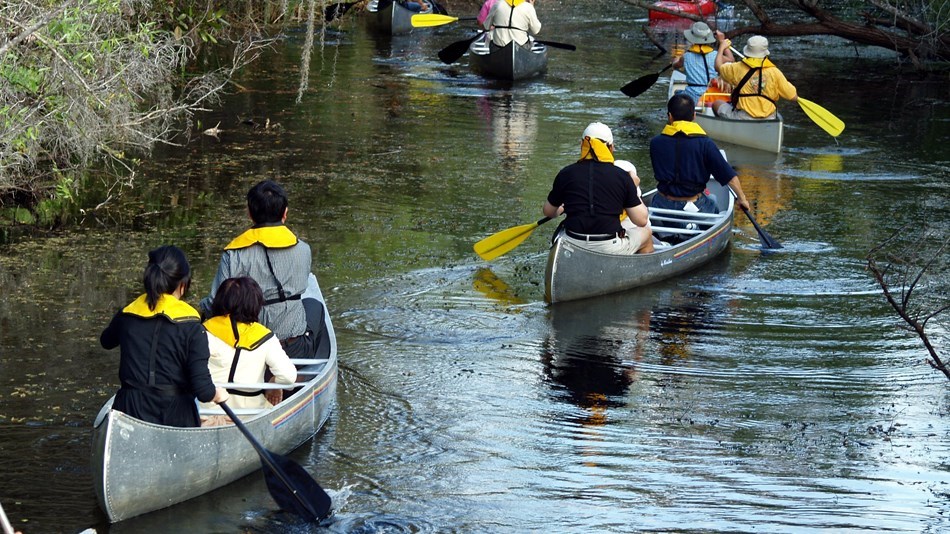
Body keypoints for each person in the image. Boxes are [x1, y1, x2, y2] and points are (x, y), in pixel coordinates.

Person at [200, 180, 330, 360]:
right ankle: (304, 368)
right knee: (314, 306)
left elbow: (215, 304)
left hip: (246, 348)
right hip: (292, 347)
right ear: (285, 213)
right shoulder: (303, 249)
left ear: (250, 213)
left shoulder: (233, 254)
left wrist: (197, 312)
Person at [101, 245, 228, 427]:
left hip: (129, 409)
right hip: (174, 414)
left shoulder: (127, 315)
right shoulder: (192, 326)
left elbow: (106, 341)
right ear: (183, 285)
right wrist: (217, 394)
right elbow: (203, 391)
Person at [649, 94, 751, 240]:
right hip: (693, 202)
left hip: (662, 203)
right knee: (714, 202)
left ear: (670, 116)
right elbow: (730, 177)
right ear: (694, 116)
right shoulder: (705, 144)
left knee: (656, 199)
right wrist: (742, 199)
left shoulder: (655, 143)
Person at [542, 122, 654, 255]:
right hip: (608, 245)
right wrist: (633, 187)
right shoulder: (622, 176)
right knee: (646, 233)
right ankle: (639, 273)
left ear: (582, 145)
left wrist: (566, 207)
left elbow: (548, 212)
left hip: (570, 242)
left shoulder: (566, 173)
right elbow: (641, 220)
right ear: (611, 148)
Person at [199, 277, 297, 426]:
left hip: (205, 415)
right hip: (249, 417)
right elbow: (289, 377)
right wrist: (273, 384)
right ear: (255, 304)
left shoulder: (202, 331)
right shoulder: (265, 337)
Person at [712, 32, 798, 120]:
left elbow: (717, 67)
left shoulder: (737, 68)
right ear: (765, 52)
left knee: (716, 103)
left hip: (743, 117)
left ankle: (727, 128)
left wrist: (721, 48)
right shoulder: (775, 72)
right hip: (769, 118)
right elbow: (793, 96)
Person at [672, 21, 733, 107]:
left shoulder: (686, 56)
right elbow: (731, 60)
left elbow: (675, 65)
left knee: (676, 93)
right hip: (711, 95)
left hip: (692, 96)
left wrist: (676, 60)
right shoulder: (715, 55)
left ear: (692, 38)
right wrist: (722, 41)